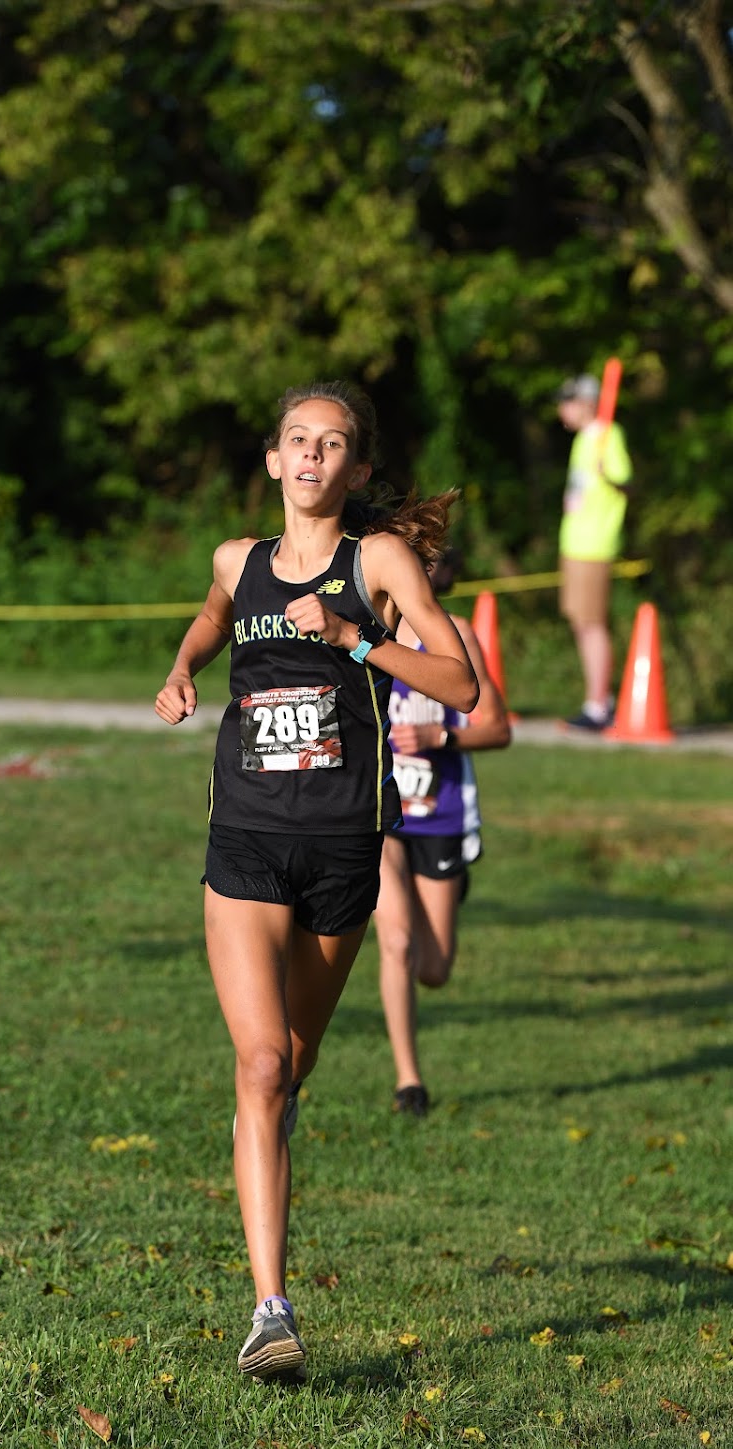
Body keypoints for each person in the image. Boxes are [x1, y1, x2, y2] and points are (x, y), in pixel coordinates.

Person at [154, 380, 479, 1383]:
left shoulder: (375, 564)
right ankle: (271, 1313)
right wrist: (183, 668)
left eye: (332, 444)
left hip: (343, 846)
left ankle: (270, 1119)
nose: (311, 455)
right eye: (297, 440)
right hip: (247, 840)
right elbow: (211, 617)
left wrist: (358, 641)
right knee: (259, 1067)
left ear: (357, 467)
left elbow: (462, 684)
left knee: (292, 1063)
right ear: (272, 459)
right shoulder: (237, 560)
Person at [373, 550, 511, 1119]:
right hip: (382, 815)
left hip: (442, 816)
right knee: (397, 940)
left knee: (433, 969)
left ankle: (449, 889)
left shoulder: (457, 635)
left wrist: (441, 739)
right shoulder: (364, 632)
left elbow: (498, 729)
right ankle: (409, 1080)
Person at [556, 372, 633, 731]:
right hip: (574, 543)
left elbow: (625, 479)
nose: (562, 410)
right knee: (579, 620)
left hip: (595, 543)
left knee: (592, 623)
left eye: (568, 402)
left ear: (586, 403)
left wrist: (611, 474)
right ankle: (598, 698)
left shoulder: (608, 434)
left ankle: (599, 704)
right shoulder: (583, 439)